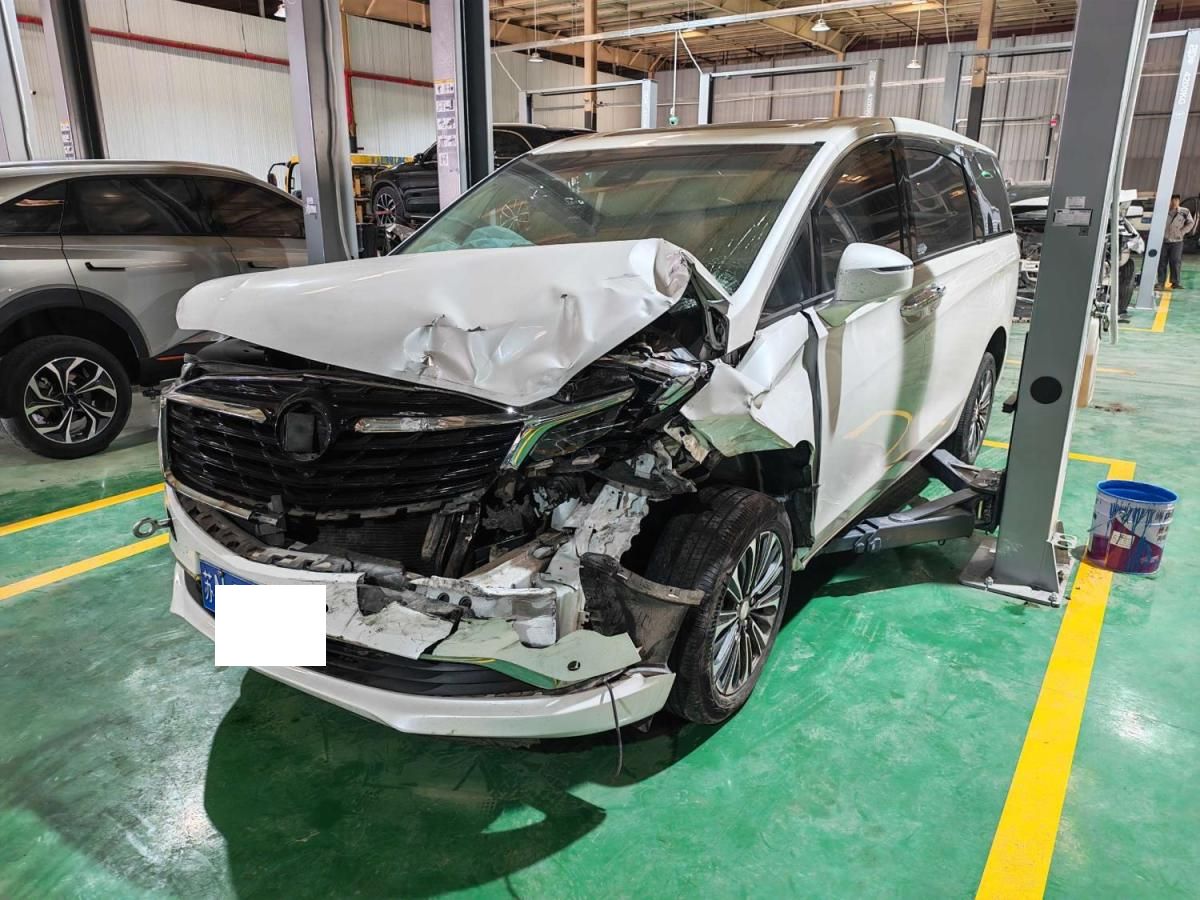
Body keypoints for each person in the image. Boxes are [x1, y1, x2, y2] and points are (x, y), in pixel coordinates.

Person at [1155, 193, 1194, 290]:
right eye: (1173, 200)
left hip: (1177, 241)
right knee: (1162, 262)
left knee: (1175, 261)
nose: (1174, 202)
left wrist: (1182, 232)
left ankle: (1175, 282)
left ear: (1179, 201)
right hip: (1163, 241)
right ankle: (1160, 282)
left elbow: (1190, 223)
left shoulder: (1184, 211)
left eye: (1177, 200)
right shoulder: (1162, 211)